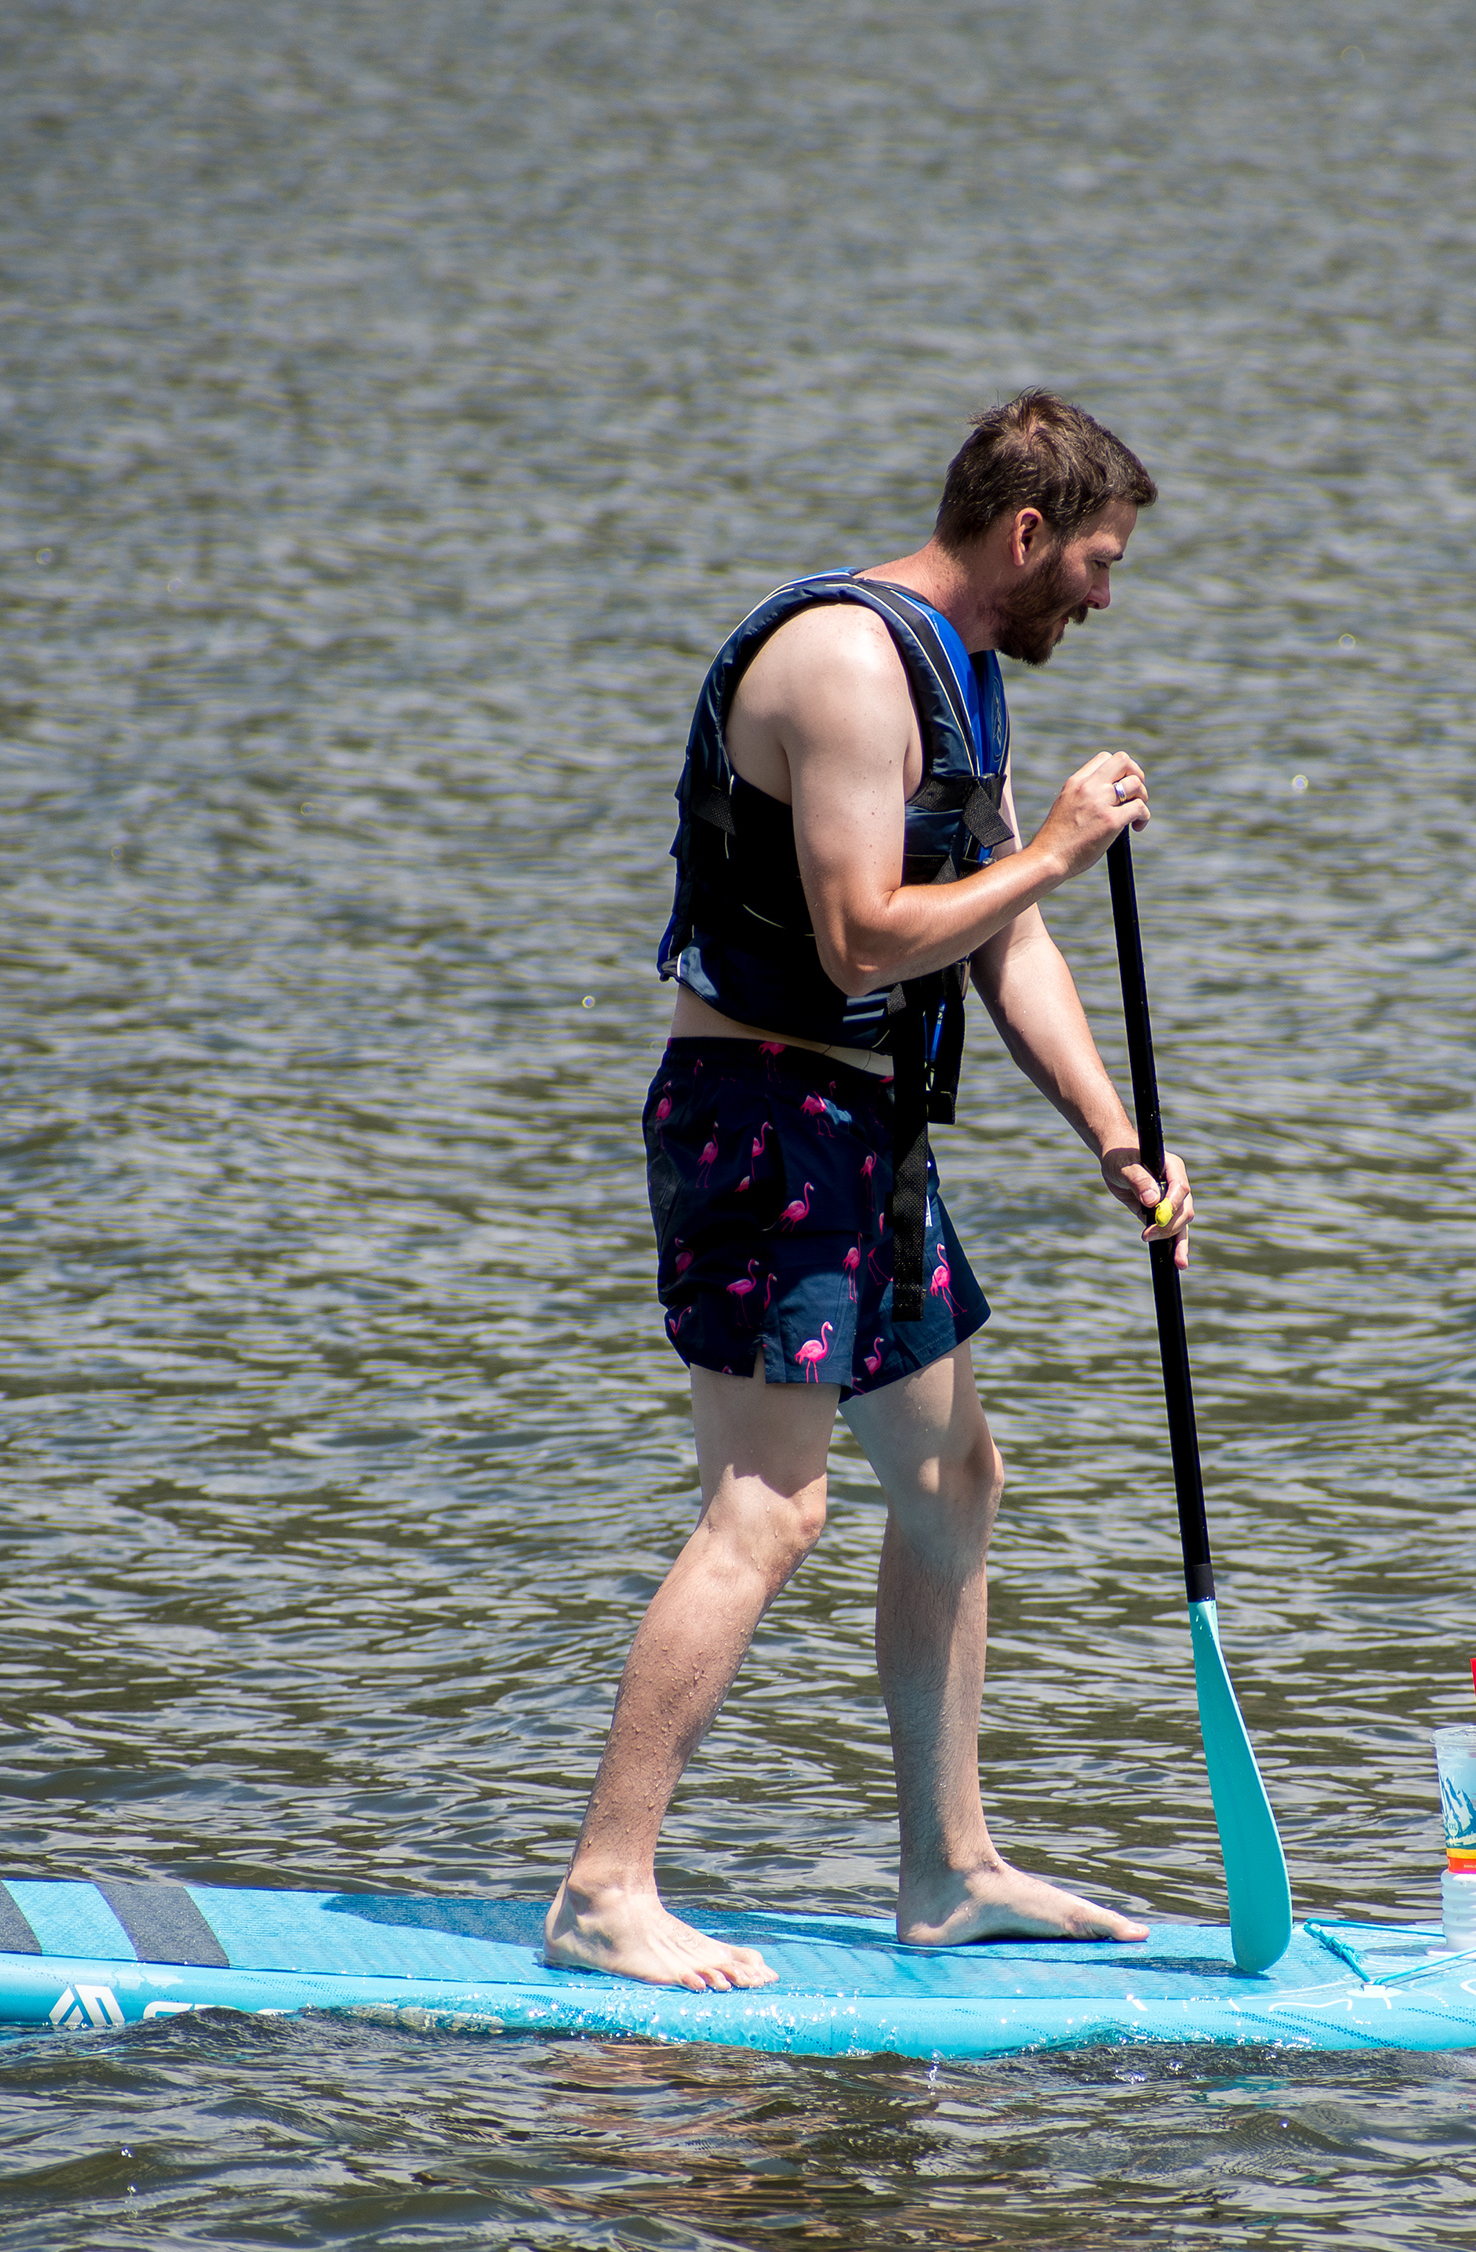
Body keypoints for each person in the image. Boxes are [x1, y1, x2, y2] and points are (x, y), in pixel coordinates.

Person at [543, 391, 1190, 1991]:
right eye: (1097, 564)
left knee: (955, 1475)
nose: (1103, 598)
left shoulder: (968, 678)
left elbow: (1002, 936)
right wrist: (1051, 850)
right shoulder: (843, 666)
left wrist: (1113, 1136)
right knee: (771, 1508)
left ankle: (947, 1871)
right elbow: (863, 935)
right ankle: (603, 1888)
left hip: (872, 1133)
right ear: (1025, 535)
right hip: (766, 1119)